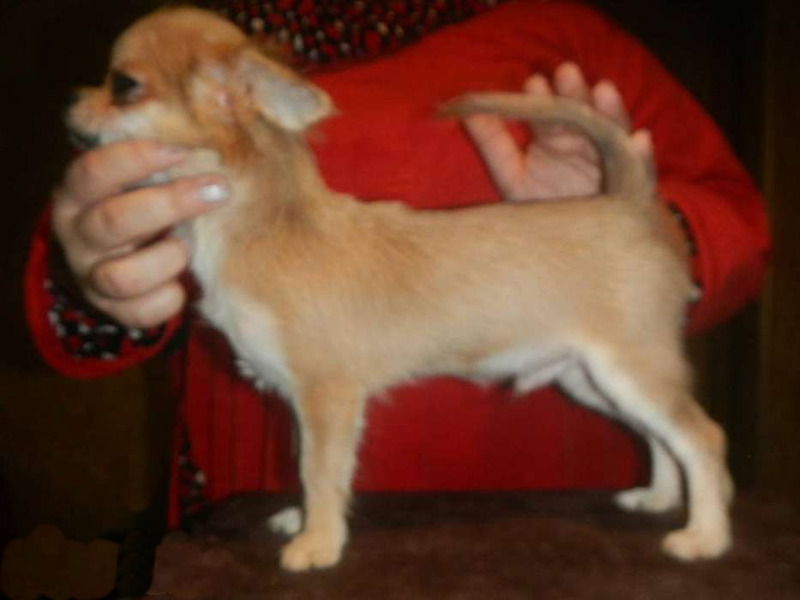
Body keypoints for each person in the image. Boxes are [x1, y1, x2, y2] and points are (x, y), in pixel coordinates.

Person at [25, 0, 770, 528]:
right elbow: (85, 292)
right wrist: (93, 277)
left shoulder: (558, 29)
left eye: (124, 87)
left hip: (553, 527)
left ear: (226, 96)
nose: (99, 99)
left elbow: (739, 215)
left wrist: (630, 237)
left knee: (619, 384)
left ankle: (691, 482)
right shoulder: (210, 40)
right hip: (237, 504)